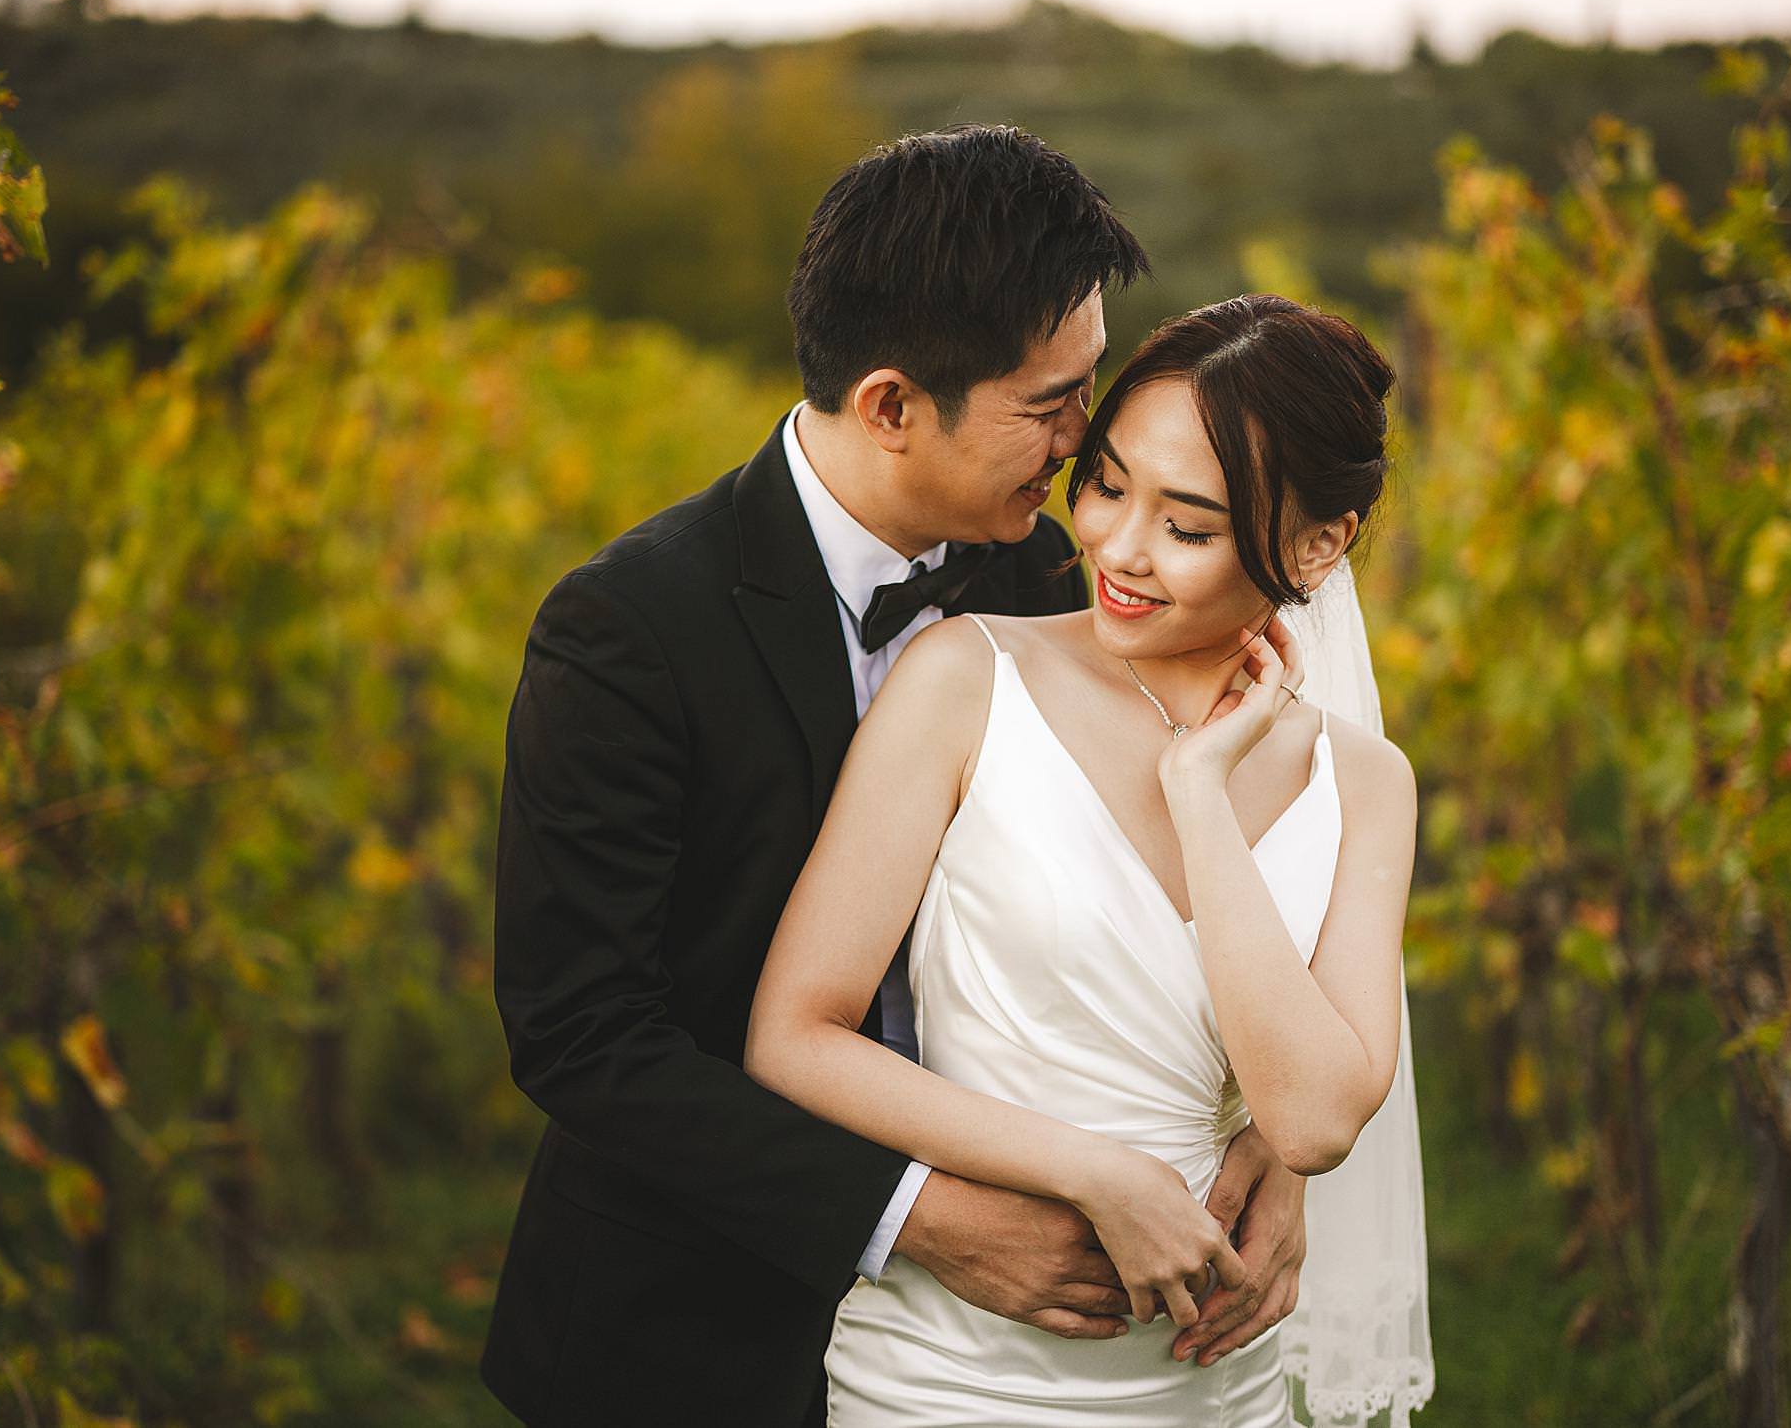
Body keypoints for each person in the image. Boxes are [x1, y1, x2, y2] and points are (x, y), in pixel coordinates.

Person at [481, 129, 1315, 1426]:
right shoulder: (627, 630)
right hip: (682, 1327)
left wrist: (1273, 1141)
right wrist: (914, 1213)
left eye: (1088, 386)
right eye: (1050, 404)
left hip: (1026, 1357)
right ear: (889, 404)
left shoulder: (1059, 581)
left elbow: (1189, 896)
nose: (1085, 444)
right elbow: (583, 1030)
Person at [746, 294, 1435, 1425]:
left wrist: (1199, 795)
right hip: (949, 1380)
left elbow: (1312, 1122)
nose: (1114, 546)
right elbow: (794, 1034)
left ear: (1320, 544)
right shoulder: (963, 679)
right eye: (1109, 483)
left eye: (1189, 525)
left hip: (1215, 1389)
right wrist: (1092, 1172)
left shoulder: (1366, 784)